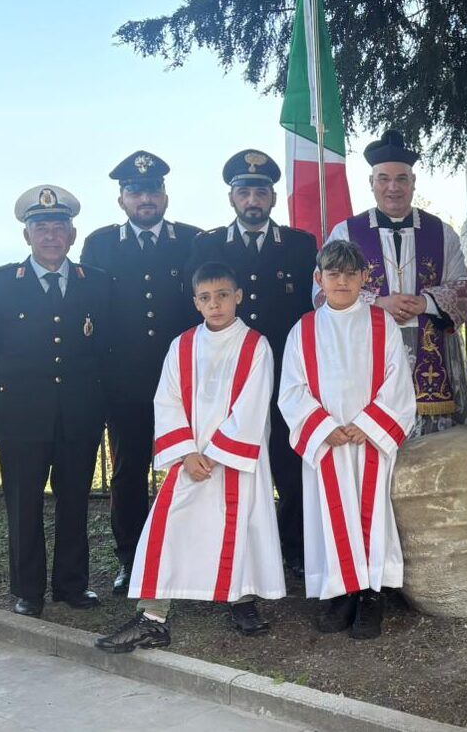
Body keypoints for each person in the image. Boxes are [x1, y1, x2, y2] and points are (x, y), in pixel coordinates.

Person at [95, 262, 285, 652]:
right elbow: (166, 400)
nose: (215, 304)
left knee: (241, 527)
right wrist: (185, 453)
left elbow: (253, 405)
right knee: (170, 527)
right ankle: (152, 617)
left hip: (235, 460)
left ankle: (242, 600)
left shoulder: (256, 345)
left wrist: (215, 454)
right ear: (195, 302)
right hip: (191, 458)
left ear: (238, 297)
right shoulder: (182, 345)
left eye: (223, 296)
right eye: (206, 298)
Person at [0, 186, 111, 617]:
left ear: (72, 235)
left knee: (74, 502)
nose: (51, 235)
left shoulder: (97, 283)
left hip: (79, 413)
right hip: (20, 415)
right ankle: (28, 590)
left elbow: (105, 348)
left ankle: (72, 585)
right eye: (41, 227)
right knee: (24, 505)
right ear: (27, 235)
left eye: (59, 227)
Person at [186, 150, 317, 573]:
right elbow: (197, 308)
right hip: (229, 377)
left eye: (261, 192)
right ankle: (233, 546)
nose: (252, 200)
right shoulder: (207, 245)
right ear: (232, 198)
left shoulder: (300, 245)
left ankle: (294, 549)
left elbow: (311, 311)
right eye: (244, 192)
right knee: (232, 461)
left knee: (290, 462)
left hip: (285, 374)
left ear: (273, 197)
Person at [280, 240, 417, 640]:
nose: (342, 281)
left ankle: (371, 593)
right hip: (328, 442)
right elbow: (292, 389)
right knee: (330, 513)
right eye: (333, 274)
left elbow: (397, 379)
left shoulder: (381, 323)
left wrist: (369, 424)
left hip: (368, 439)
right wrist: (324, 427)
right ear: (318, 278)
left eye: (350, 274)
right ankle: (340, 592)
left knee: (371, 514)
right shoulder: (304, 329)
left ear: (364, 278)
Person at [80, 151, 203, 595]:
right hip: (126, 385)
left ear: (165, 196)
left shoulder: (191, 240)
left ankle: (189, 556)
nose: (145, 198)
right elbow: (90, 311)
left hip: (184, 382)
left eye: (152, 190)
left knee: (191, 468)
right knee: (128, 473)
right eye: (135, 191)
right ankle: (131, 559)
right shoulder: (100, 245)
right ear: (122, 200)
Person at [324, 130, 467, 437]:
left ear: (413, 182)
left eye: (402, 179)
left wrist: (425, 303)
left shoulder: (441, 232)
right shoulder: (345, 232)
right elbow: (322, 293)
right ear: (371, 182)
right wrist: (378, 303)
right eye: (384, 179)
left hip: (431, 355)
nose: (393, 187)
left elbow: (465, 287)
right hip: (367, 348)